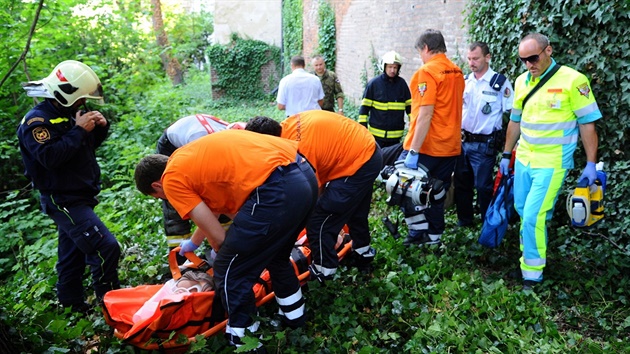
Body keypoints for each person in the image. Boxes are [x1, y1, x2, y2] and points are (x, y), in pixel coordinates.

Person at [134, 130, 318, 349]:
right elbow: (212, 213)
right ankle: (295, 317)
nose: (167, 200)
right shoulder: (187, 161)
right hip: (303, 172)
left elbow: (220, 236)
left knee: (229, 269)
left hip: (277, 188)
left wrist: (225, 251)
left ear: (156, 186)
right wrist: (194, 243)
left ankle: (244, 340)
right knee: (276, 256)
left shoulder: (171, 180)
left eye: (160, 198)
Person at [499, 33, 602, 290]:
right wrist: (506, 153)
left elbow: (587, 125)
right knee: (524, 212)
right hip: (524, 158)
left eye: (533, 58)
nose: (528, 65)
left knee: (534, 214)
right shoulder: (522, 81)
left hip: (552, 163)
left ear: (548, 51)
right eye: (523, 60)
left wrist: (591, 163)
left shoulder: (573, 80)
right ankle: (528, 260)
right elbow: (515, 121)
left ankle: (532, 276)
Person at [17, 60, 121, 313]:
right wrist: (78, 130)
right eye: (80, 99)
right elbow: (50, 158)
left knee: (72, 254)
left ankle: (72, 306)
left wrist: (98, 129)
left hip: (80, 195)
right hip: (62, 199)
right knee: (106, 247)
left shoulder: (67, 114)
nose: (83, 104)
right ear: (67, 93)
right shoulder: (37, 122)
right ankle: (111, 303)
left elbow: (80, 151)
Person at [245, 111, 383, 281]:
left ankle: (325, 270)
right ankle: (363, 254)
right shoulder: (288, 124)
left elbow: (309, 192)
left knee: (319, 221)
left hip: (358, 160)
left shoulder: (298, 148)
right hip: (368, 150)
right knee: (355, 211)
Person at [401, 29, 465, 246]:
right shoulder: (456, 71)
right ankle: (435, 237)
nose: (421, 56)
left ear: (426, 48)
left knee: (405, 189)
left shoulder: (426, 73)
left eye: (421, 52)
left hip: (428, 146)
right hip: (450, 147)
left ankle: (417, 234)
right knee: (437, 192)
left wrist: (413, 151)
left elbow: (425, 114)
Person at [156, 113, 240, 264]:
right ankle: (181, 260)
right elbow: (213, 205)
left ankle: (229, 241)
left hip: (199, 142)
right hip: (173, 146)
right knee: (177, 198)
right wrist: (208, 242)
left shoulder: (235, 149)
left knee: (223, 199)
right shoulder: (212, 151)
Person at [454, 42, 514, 227]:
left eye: (476, 58)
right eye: (469, 59)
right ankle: (465, 222)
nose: (471, 63)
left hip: (484, 144)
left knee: (483, 187)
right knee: (461, 184)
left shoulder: (499, 83)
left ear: (487, 57)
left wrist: (509, 148)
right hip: (463, 142)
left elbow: (513, 114)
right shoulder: (465, 81)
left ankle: (488, 224)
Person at [358, 51, 412, 150]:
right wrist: (363, 129)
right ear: (384, 67)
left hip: (396, 138)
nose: (392, 70)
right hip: (376, 136)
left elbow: (410, 108)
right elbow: (364, 110)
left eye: (395, 67)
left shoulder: (402, 85)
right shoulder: (374, 84)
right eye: (390, 67)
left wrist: (413, 126)